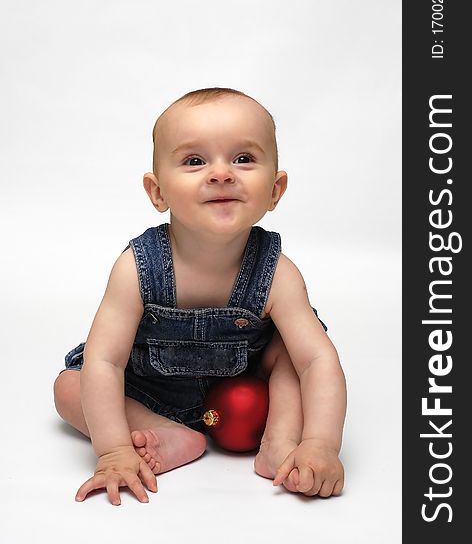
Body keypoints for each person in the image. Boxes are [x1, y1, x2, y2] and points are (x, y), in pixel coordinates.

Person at [53, 87, 347, 505]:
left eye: (243, 159)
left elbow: (319, 361)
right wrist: (113, 450)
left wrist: (322, 443)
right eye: (195, 161)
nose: (222, 173)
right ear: (158, 193)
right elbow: (105, 360)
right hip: (149, 390)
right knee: (69, 386)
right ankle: (166, 433)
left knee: (292, 356)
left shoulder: (278, 273)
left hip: (245, 396)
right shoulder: (137, 267)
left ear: (275, 190)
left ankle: (280, 442)